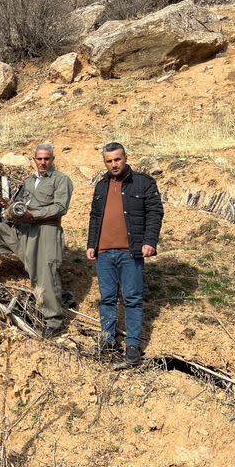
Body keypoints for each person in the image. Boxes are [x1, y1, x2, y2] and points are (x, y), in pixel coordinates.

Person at [0, 143, 74, 339]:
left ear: (52, 159)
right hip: (22, 229)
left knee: (44, 273)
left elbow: (60, 207)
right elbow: (20, 205)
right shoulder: (28, 181)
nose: (43, 162)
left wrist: (32, 215)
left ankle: (54, 321)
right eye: (39, 159)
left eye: (47, 159)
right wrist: (10, 205)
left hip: (45, 231)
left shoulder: (61, 180)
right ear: (34, 159)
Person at [86, 142, 164, 367]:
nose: (114, 164)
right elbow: (94, 216)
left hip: (130, 253)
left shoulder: (143, 182)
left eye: (117, 159)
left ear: (125, 158)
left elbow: (155, 212)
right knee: (107, 298)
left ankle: (132, 345)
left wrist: (149, 241)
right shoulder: (101, 185)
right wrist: (92, 244)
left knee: (132, 298)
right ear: (105, 163)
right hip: (104, 254)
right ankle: (108, 340)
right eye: (109, 161)